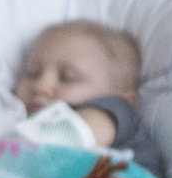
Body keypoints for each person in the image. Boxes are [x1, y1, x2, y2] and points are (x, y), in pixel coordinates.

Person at [13, 19, 148, 155]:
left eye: (68, 78)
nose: (40, 86)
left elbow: (69, 136)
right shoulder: (17, 115)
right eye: (32, 73)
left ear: (123, 98)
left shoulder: (117, 109)